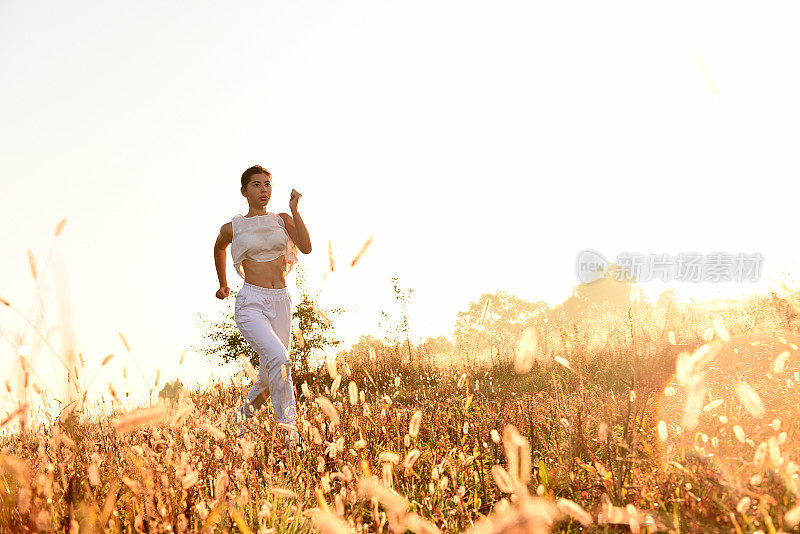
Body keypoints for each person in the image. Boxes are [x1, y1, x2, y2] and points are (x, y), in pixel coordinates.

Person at [212, 165, 312, 446]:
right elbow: (219, 247)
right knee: (281, 361)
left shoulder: (281, 220)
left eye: (267, 184)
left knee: (270, 379)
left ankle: (243, 416)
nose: (263, 190)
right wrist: (223, 282)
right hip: (251, 302)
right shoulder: (234, 227)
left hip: (281, 301)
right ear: (244, 191)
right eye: (256, 185)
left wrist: (295, 210)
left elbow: (306, 247)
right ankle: (290, 434)